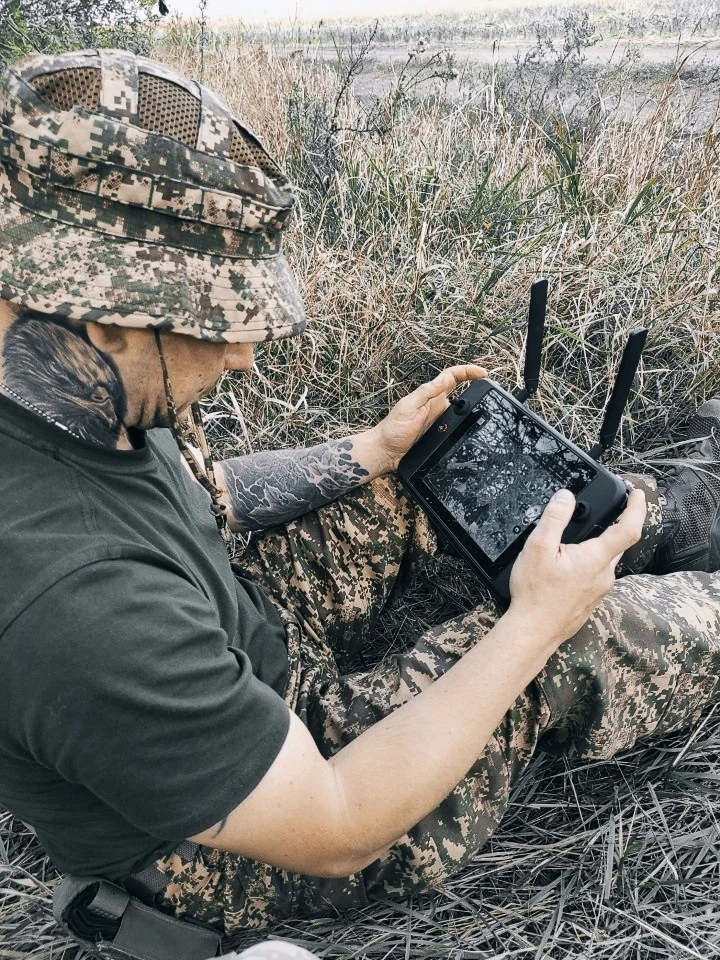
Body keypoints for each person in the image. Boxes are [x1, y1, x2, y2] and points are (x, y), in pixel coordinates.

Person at [0, 48, 719, 943]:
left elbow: (198, 492)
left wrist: (365, 451)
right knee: (576, 641)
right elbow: (339, 823)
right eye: (219, 325)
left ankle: (672, 513)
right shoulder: (70, 597)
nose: (241, 357)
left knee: (432, 481)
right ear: (104, 311)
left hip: (231, 638)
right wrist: (535, 624)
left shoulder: (64, 384)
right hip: (237, 847)